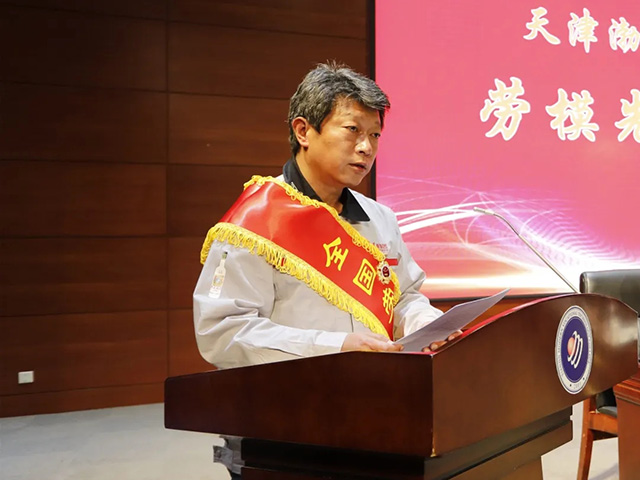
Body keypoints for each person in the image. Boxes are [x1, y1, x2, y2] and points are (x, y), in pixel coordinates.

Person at [192, 62, 456, 479]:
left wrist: (425, 323)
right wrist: (336, 347)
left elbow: (405, 295)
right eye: (352, 130)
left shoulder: (380, 218)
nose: (366, 148)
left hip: (377, 416)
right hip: (286, 429)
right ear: (303, 131)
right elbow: (223, 333)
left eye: (375, 135)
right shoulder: (256, 223)